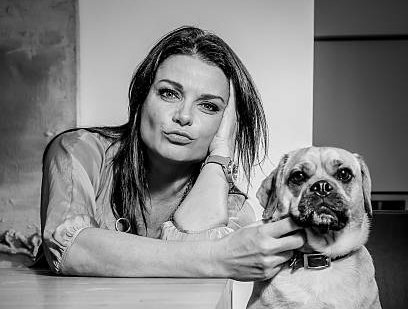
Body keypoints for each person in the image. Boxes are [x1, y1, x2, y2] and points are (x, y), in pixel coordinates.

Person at [40, 25, 304, 278]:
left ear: (227, 122)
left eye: (209, 106)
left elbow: (201, 266)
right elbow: (70, 247)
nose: (184, 116)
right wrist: (217, 257)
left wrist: (220, 154)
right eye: (168, 93)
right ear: (141, 97)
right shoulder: (80, 150)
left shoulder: (228, 203)